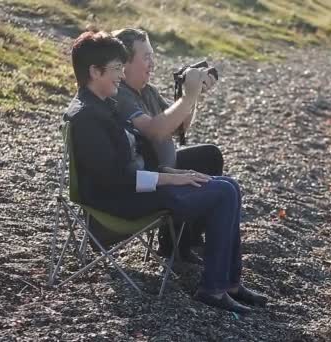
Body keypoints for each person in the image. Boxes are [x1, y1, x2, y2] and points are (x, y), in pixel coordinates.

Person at [65, 30, 267, 313]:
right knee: (222, 192)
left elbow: (136, 155)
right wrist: (171, 178)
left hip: (134, 188)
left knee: (228, 185)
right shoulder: (87, 117)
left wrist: (169, 169)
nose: (120, 76)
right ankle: (213, 289)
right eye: (114, 70)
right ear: (94, 71)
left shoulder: (103, 105)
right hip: (118, 203)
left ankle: (230, 283)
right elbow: (115, 180)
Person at [111, 28, 221, 261]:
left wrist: (191, 93)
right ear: (125, 63)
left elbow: (180, 126)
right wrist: (188, 97)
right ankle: (173, 246)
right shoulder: (120, 94)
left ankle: (184, 241)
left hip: (165, 165)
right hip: (150, 176)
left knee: (210, 156)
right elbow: (157, 131)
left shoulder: (147, 91)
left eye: (152, 55)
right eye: (146, 57)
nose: (152, 63)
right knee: (213, 181)